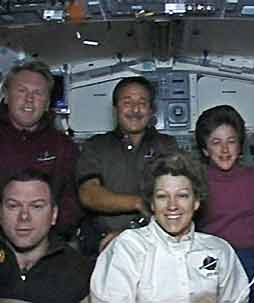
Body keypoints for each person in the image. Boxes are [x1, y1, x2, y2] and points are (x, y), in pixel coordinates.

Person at [90, 152, 250, 303]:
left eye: (182, 195)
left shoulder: (219, 250)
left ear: (196, 202)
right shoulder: (128, 247)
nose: (172, 205)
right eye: (162, 196)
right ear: (152, 203)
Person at [76, 76, 178, 256]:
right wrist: (138, 203)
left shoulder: (167, 146)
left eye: (142, 102)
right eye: (127, 102)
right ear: (115, 109)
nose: (135, 109)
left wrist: (131, 235)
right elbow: (89, 195)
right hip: (104, 244)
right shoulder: (95, 146)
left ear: (151, 110)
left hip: (157, 241)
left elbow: (176, 198)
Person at [195, 105, 254, 303]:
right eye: (216, 142)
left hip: (250, 258)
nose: (224, 149)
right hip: (210, 260)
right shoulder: (196, 180)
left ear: (240, 146)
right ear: (205, 149)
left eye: (231, 141)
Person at [0, 61, 82, 240]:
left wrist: (49, 239)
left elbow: (71, 201)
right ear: (6, 96)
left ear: (47, 103)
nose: (29, 99)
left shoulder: (64, 147)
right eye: (22, 91)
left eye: (38, 93)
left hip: (47, 245)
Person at [0, 169, 93, 303]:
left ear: (54, 215)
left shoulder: (80, 272)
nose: (24, 216)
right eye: (13, 206)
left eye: (36, 206)